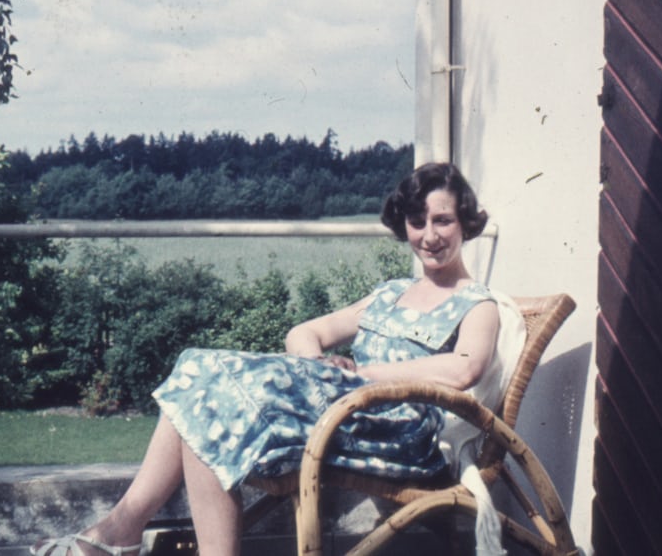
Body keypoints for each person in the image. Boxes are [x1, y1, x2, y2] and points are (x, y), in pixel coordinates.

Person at [31, 162, 525, 556]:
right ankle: (123, 529)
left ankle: (118, 532)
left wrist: (362, 375)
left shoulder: (475, 302)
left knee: (207, 379)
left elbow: (464, 369)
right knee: (202, 379)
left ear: (465, 224)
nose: (429, 235)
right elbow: (304, 332)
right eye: (418, 222)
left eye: (442, 220)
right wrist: (319, 365)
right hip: (345, 410)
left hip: (395, 430)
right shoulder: (391, 294)